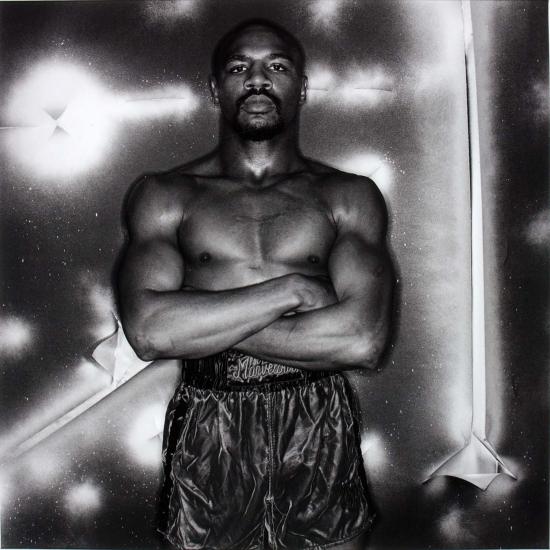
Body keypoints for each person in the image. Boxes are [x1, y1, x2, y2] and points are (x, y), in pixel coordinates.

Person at [118, 18, 393, 550]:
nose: (259, 79)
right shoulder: (165, 195)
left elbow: (362, 341)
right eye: (240, 67)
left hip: (316, 420)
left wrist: (198, 315)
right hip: (210, 420)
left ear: (302, 88)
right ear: (215, 88)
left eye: (278, 66)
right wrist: (292, 291)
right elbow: (149, 334)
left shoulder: (348, 195)